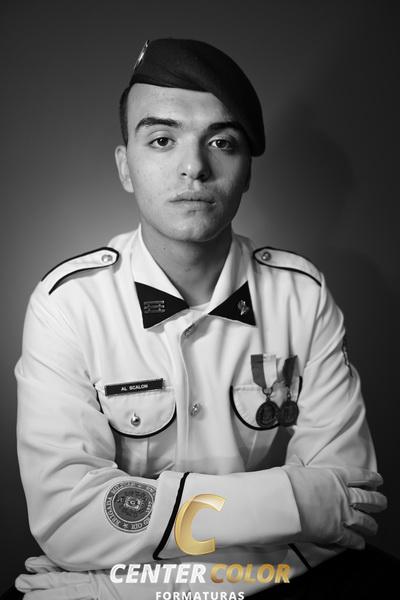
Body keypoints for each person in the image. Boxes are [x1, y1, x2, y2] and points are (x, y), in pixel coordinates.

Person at [11, 38, 390, 600]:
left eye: (222, 142)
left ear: (247, 171)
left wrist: (127, 590)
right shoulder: (66, 303)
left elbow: (347, 510)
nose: (194, 167)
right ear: (126, 167)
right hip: (275, 575)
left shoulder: (302, 295)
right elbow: (69, 521)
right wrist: (296, 503)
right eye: (162, 140)